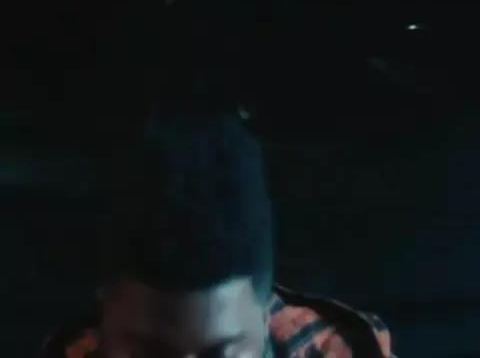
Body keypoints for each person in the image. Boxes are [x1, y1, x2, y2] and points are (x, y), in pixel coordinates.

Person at [42, 112, 394, 358]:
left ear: (266, 315)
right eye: (148, 355)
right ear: (105, 316)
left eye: (220, 356)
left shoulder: (352, 351)